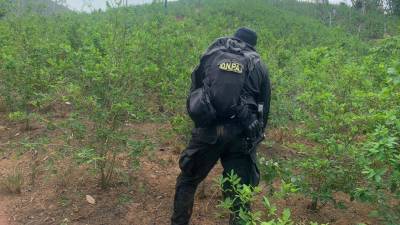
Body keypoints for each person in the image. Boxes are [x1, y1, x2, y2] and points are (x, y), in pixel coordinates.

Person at [171, 27, 271, 225]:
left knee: (188, 180)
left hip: (209, 129)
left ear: (234, 38)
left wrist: (201, 123)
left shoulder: (212, 55)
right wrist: (255, 133)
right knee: (240, 192)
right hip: (241, 134)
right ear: (253, 44)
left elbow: (195, 90)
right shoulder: (259, 65)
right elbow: (264, 107)